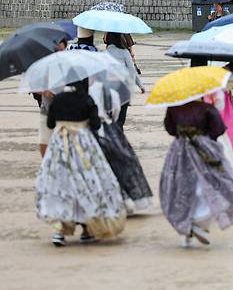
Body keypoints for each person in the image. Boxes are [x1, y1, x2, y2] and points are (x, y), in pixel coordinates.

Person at [36, 79, 126, 247]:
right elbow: (95, 124)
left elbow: (50, 123)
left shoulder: (58, 99)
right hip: (83, 144)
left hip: (60, 143)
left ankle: (60, 231)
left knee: (62, 182)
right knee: (87, 183)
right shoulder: (86, 99)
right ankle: (86, 229)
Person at [161, 100, 233, 247]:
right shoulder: (206, 108)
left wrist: (184, 132)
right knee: (210, 185)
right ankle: (198, 223)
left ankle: (189, 223)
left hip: (180, 150)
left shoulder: (173, 108)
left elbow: (170, 129)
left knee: (182, 187)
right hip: (204, 148)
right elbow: (219, 129)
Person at [89, 81, 152, 215]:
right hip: (112, 130)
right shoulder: (113, 94)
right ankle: (128, 198)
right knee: (123, 162)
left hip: (95, 130)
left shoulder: (88, 93)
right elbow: (116, 114)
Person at [35, 38, 68, 157]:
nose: (57, 53)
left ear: (65, 49)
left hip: (66, 112)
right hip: (47, 110)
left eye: (60, 50)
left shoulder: (69, 65)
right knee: (44, 141)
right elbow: (33, 85)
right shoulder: (44, 65)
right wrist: (44, 92)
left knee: (64, 143)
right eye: (55, 50)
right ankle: (46, 165)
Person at [105, 32, 145, 129]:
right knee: (121, 119)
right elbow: (132, 71)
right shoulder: (124, 52)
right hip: (123, 89)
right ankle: (119, 134)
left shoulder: (105, 53)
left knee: (111, 118)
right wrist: (141, 86)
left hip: (110, 90)